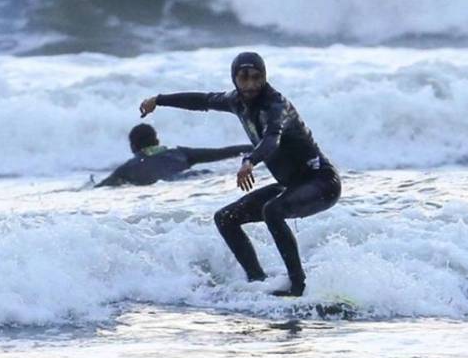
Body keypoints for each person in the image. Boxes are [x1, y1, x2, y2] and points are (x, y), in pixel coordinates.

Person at [139, 52, 341, 297]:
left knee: (273, 211)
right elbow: (201, 100)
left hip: (321, 181)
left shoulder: (276, 106)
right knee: (226, 218)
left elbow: (272, 139)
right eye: (243, 78)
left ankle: (297, 286)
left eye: (257, 78)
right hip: (292, 185)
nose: (250, 85)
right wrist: (158, 100)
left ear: (265, 77)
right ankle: (256, 281)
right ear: (234, 79)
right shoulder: (235, 100)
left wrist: (250, 160)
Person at [94, 123, 252, 187]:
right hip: (194, 180)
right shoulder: (180, 153)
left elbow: (101, 188)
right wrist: (258, 147)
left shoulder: (126, 169)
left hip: (163, 188)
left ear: (133, 146)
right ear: (157, 140)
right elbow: (222, 153)